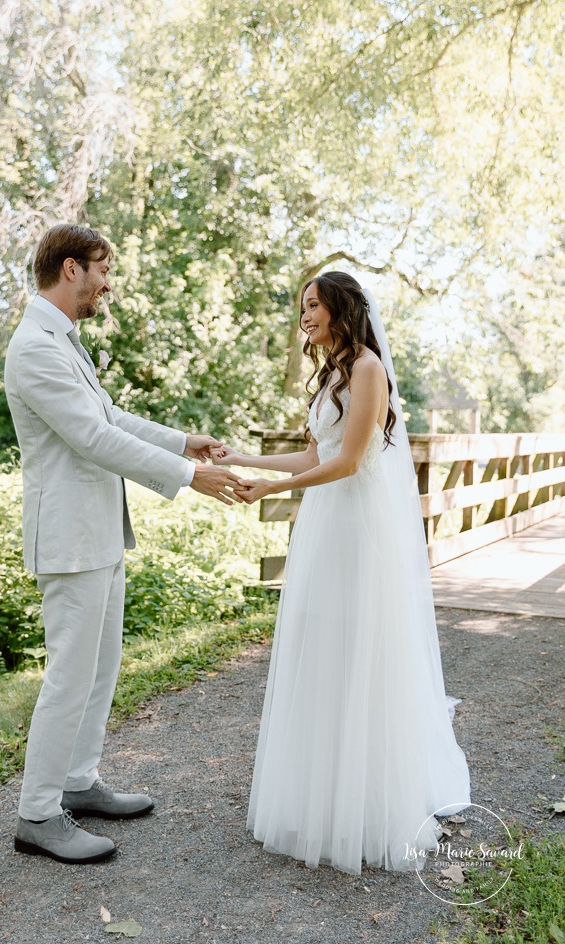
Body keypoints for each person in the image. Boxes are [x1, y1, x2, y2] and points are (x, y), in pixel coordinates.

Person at [214, 272, 470, 873]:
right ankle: (322, 795)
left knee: (362, 651)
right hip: (323, 529)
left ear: (340, 309)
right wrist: (241, 457)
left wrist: (273, 487)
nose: (304, 314)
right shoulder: (330, 372)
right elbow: (314, 454)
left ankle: (370, 806)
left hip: (358, 529)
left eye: (313, 304)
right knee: (322, 648)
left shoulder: (368, 370)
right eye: (301, 305)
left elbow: (351, 462)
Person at [4, 223, 243, 865]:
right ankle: (37, 814)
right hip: (70, 539)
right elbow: (91, 438)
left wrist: (181, 441)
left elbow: (109, 415)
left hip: (100, 535)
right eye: (102, 271)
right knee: (69, 676)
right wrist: (192, 476)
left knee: (100, 669)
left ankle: (78, 783)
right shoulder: (34, 347)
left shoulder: (63, 340)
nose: (107, 285)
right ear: (72, 268)